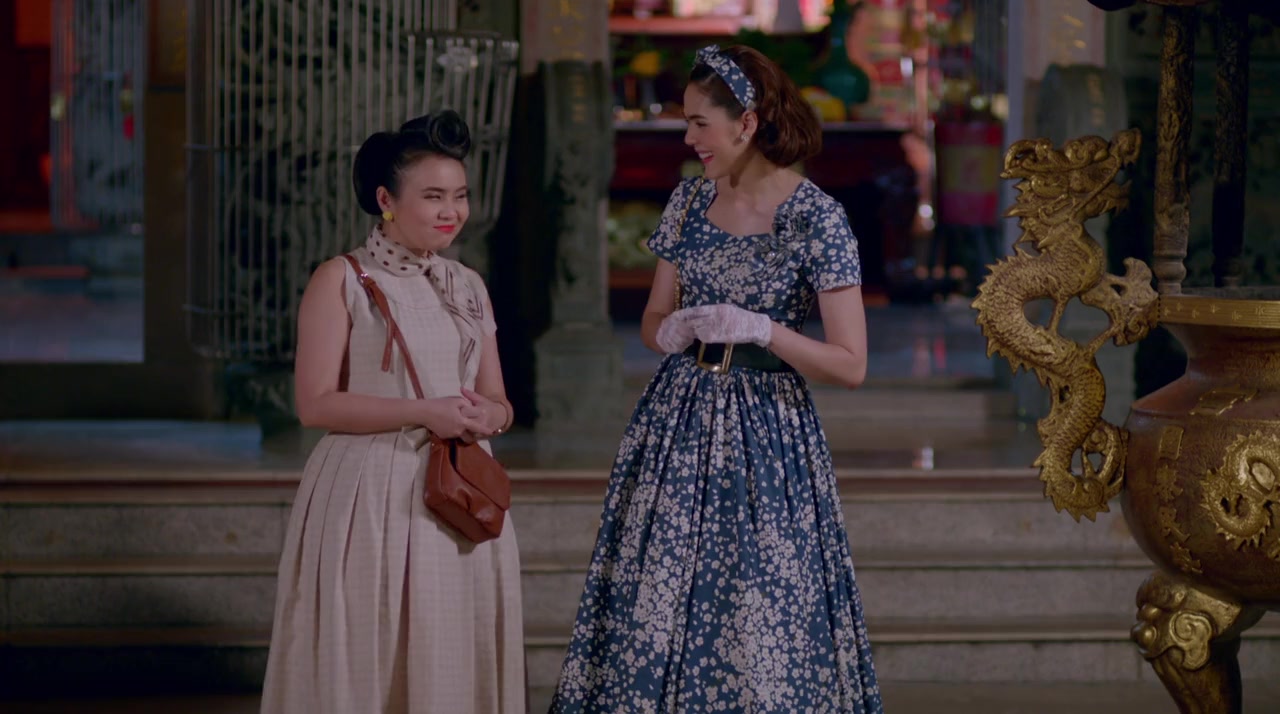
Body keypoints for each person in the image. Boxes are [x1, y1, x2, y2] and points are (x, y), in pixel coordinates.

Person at [549, 44, 883, 713]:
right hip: (678, 421)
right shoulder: (688, 201)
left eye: (700, 123)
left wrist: (764, 330)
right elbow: (653, 320)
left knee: (760, 598)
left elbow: (851, 364)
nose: (688, 138)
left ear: (747, 123)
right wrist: (669, 332)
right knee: (662, 591)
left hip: (769, 433)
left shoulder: (816, 218)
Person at [261, 110, 525, 714]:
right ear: (386, 200)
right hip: (371, 489)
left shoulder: (467, 284)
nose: (451, 211)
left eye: (459, 196)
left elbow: (499, 397)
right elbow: (314, 403)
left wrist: (491, 417)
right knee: (373, 647)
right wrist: (425, 411)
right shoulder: (341, 279)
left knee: (451, 644)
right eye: (433, 197)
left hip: (462, 487)